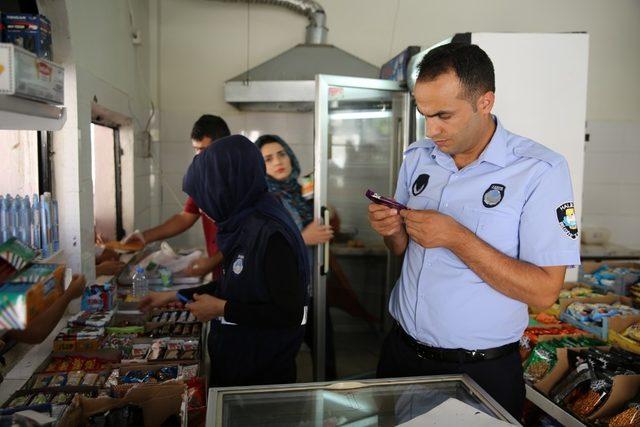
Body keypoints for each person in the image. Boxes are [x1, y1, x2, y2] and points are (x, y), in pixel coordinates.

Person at [368, 43, 580, 419]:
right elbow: (401, 249)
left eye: (444, 115)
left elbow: (544, 291)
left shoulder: (539, 171)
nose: (432, 129)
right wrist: (390, 229)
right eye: (424, 114)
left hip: (477, 371)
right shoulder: (419, 156)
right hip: (401, 354)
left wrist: (456, 238)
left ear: (485, 102)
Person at [139, 135, 309, 387]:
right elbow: (237, 287)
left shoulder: (270, 233)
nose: (204, 209)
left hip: (261, 374)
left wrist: (222, 309)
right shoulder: (244, 223)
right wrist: (175, 296)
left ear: (228, 187)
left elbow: (289, 313)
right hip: (240, 360)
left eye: (207, 196)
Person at [255, 134, 337, 379]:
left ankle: (327, 408)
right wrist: (303, 239)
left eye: (281, 154)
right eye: (268, 159)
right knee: (283, 360)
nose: (278, 161)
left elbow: (324, 223)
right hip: (286, 295)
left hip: (316, 288)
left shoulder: (302, 190)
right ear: (260, 167)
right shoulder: (264, 200)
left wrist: (327, 213)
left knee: (326, 355)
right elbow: (262, 249)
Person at [122, 115, 230, 279]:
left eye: (205, 150)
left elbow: (246, 235)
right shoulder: (203, 180)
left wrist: (212, 261)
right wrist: (144, 237)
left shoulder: (238, 180)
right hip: (218, 276)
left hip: (240, 273)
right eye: (196, 149)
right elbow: (185, 217)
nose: (199, 157)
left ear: (224, 147)